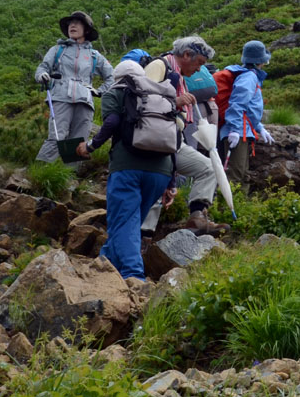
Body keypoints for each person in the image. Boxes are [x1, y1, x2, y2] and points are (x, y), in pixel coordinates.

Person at [75, 60, 177, 280]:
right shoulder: (159, 97)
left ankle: (134, 277)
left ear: (117, 77)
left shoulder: (117, 92)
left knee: (123, 222)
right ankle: (104, 265)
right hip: (161, 172)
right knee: (128, 224)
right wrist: (171, 183)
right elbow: (175, 137)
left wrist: (91, 145)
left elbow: (111, 122)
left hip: (128, 168)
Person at [144, 36, 228, 235]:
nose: (200, 69)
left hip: (174, 139)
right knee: (157, 180)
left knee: (209, 168)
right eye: (199, 62)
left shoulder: (179, 75)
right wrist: (175, 101)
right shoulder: (159, 66)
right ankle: (144, 238)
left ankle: (197, 217)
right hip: (155, 138)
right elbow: (141, 97)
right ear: (187, 54)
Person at [33, 11, 114, 163]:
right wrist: (42, 75)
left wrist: (99, 91)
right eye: (70, 23)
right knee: (57, 136)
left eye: (77, 23)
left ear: (87, 30)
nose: (72, 25)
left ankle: (68, 179)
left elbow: (112, 77)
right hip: (60, 97)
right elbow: (42, 68)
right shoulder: (57, 50)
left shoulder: (94, 55)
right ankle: (40, 173)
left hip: (85, 100)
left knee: (78, 142)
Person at [219, 40, 273, 187]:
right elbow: (237, 104)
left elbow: (249, 109)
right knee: (235, 175)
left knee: (241, 174)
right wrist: (235, 130)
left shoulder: (246, 75)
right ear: (260, 61)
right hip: (238, 131)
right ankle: (226, 208)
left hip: (244, 130)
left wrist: (259, 127)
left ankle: (238, 207)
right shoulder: (249, 77)